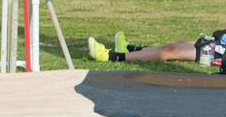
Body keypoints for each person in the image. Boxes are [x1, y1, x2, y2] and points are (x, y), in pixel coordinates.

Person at [88, 30, 225, 72]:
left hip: (222, 52)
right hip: (222, 43)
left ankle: (110, 56)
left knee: (169, 50)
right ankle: (131, 50)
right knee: (179, 45)